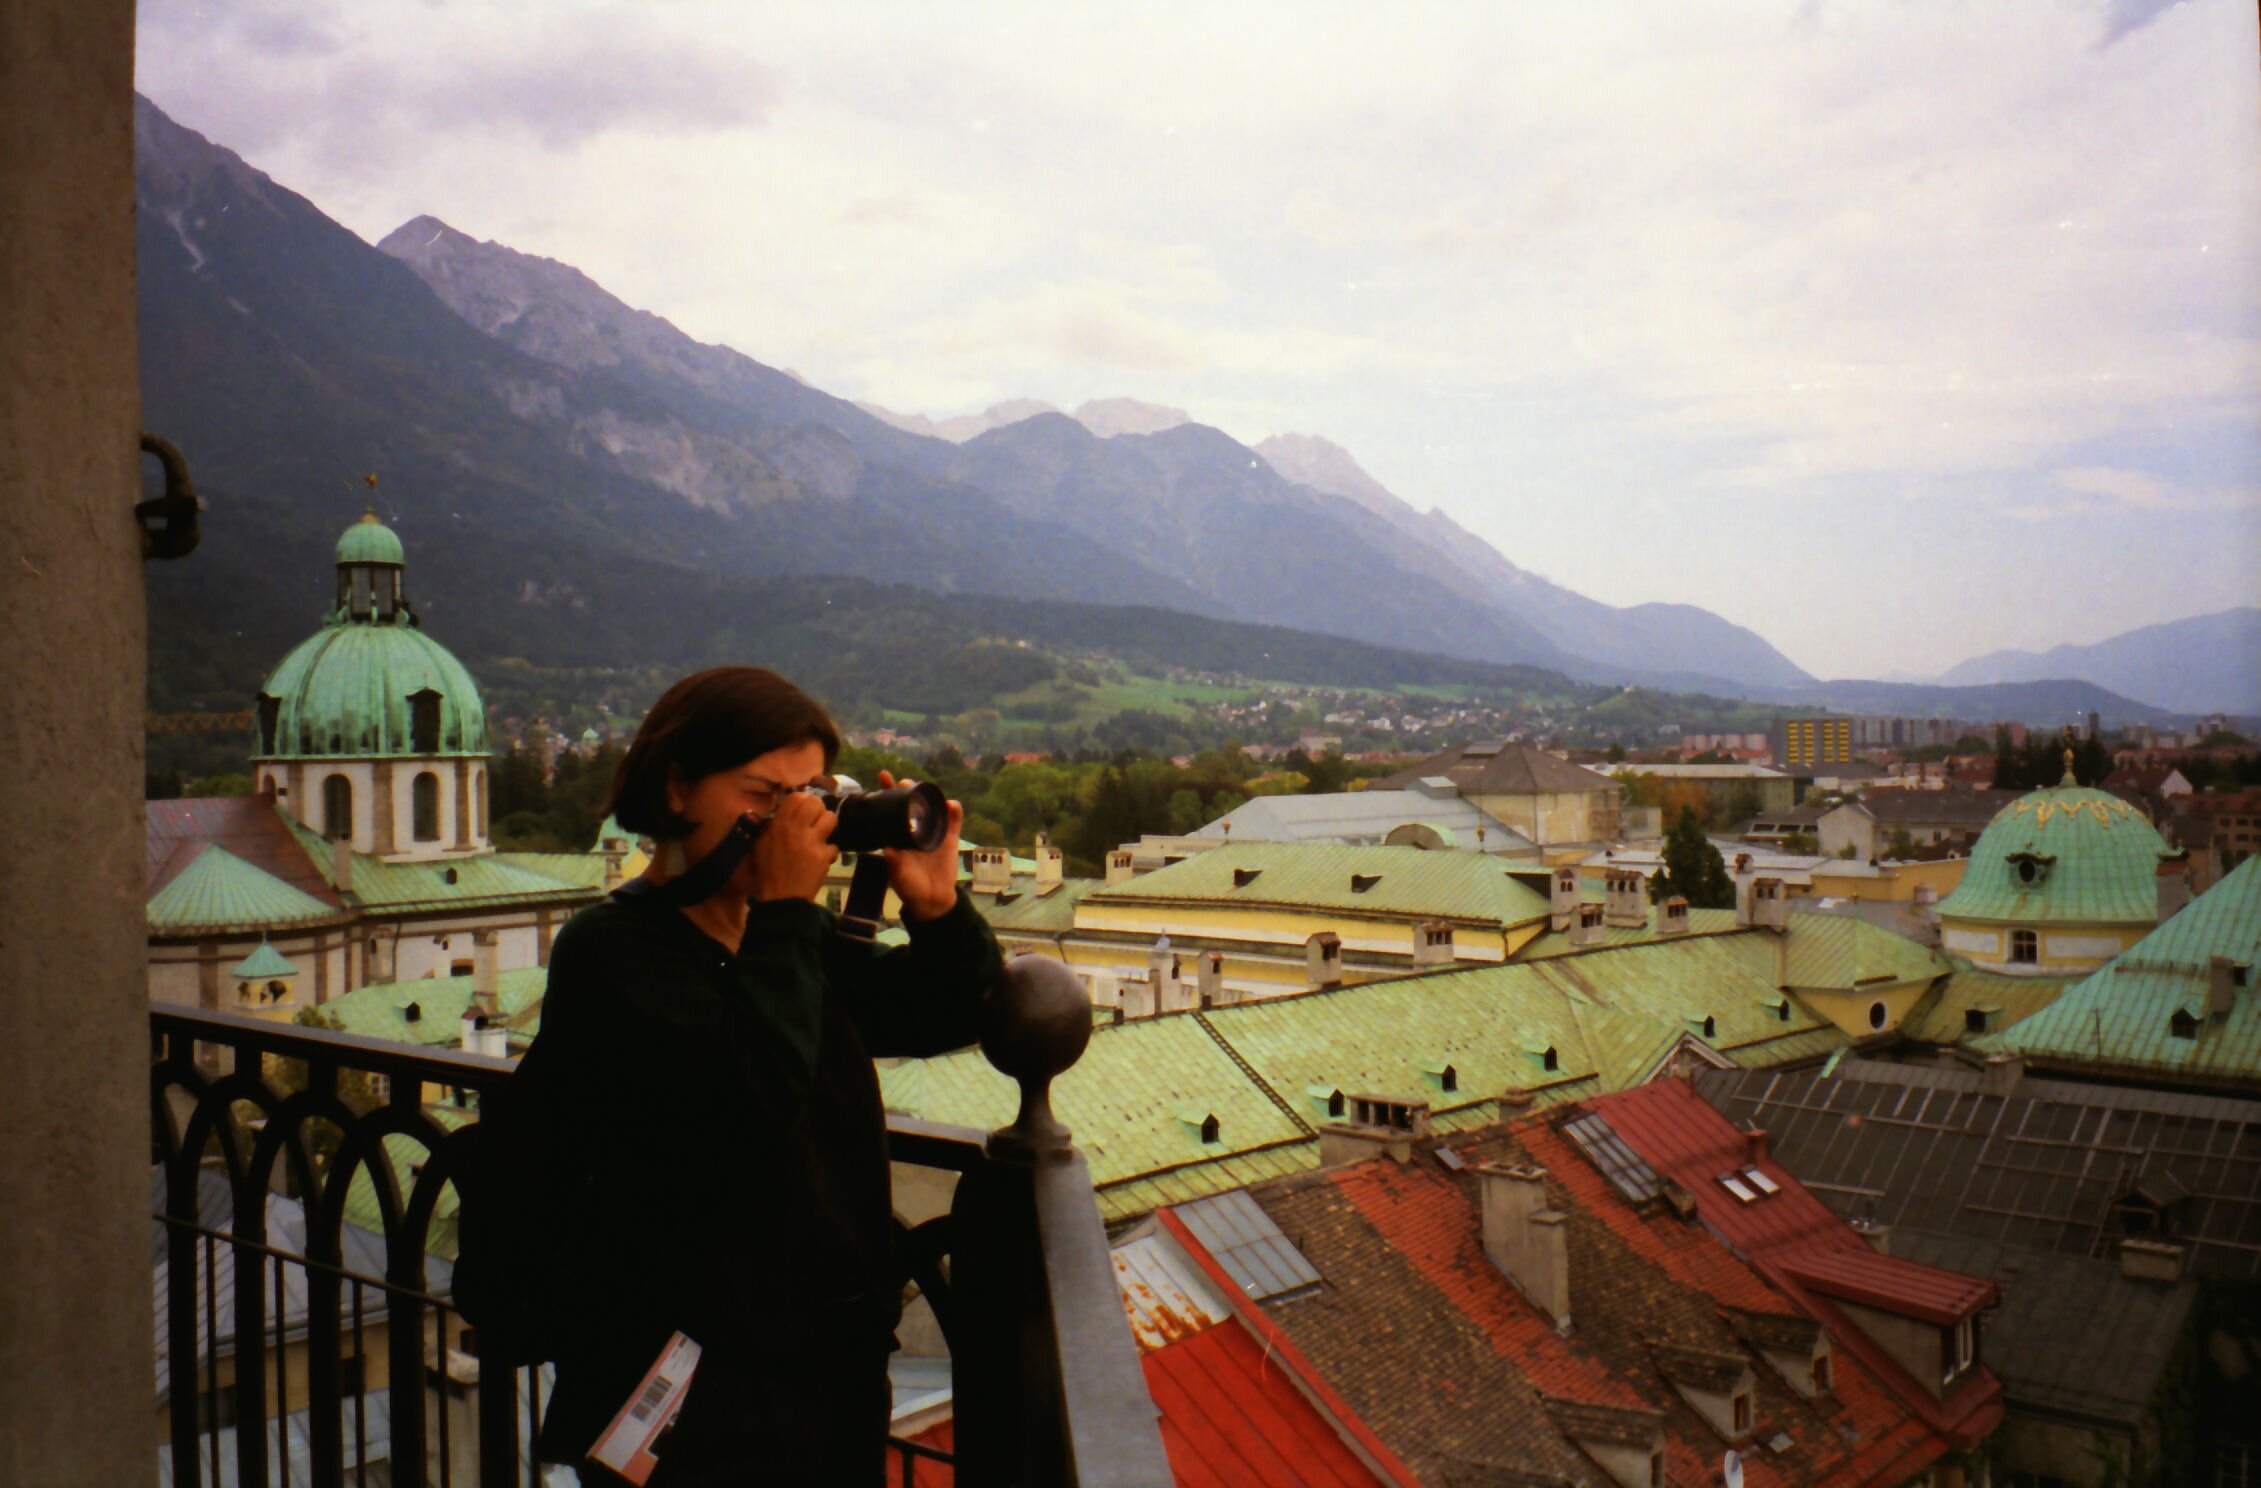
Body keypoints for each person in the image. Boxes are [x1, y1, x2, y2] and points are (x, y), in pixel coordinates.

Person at [492, 667, 1000, 1485]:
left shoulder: (789, 949)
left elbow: (950, 1012)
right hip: (695, 1396)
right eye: (765, 794)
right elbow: (747, 1105)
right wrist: (789, 915)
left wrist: (940, 911)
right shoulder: (613, 952)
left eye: (809, 797)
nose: (789, 822)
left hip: (828, 1370)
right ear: (678, 787)